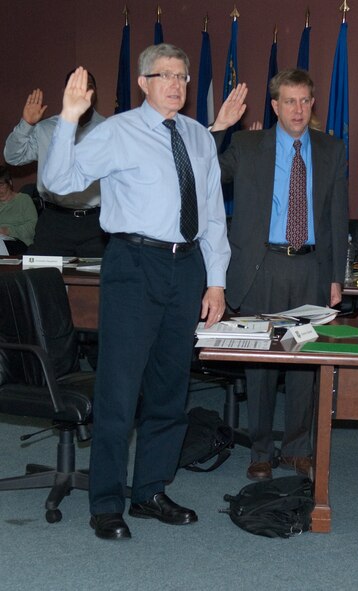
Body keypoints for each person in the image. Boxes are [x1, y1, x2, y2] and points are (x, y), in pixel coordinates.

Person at [42, 43, 230, 541]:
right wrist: (68, 117)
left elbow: (211, 214)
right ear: (144, 82)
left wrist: (216, 280)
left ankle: (149, 491)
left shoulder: (198, 137)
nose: (175, 84)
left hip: (186, 267)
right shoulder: (118, 131)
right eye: (163, 75)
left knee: (170, 390)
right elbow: (58, 180)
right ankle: (106, 503)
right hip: (134, 264)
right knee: (119, 392)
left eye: (182, 77)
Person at [212, 68, 348, 481]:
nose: (298, 109)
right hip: (261, 266)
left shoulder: (332, 149)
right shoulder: (248, 144)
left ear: (313, 104)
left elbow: (336, 218)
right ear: (274, 106)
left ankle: (295, 449)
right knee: (261, 364)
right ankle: (259, 450)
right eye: (289, 101)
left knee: (304, 361)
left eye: (305, 101)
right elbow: (208, 172)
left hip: (310, 265)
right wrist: (219, 129)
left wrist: (336, 276)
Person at [4, 71, 106, 257]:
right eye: (76, 85)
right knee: (38, 279)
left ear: (95, 91)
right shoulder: (46, 129)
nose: (83, 90)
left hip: (96, 224)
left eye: (88, 85)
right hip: (54, 221)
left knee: (99, 282)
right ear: (65, 92)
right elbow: (13, 157)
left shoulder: (111, 130)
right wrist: (27, 124)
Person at [0, 164, 37, 255]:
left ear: (10, 183)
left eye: (0, 185)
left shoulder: (23, 200)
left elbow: (32, 228)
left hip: (18, 241)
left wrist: (7, 231)